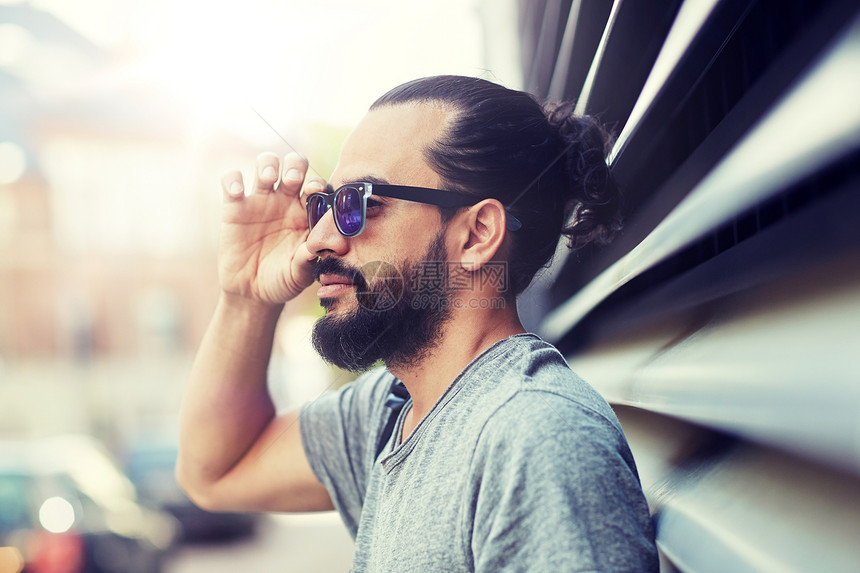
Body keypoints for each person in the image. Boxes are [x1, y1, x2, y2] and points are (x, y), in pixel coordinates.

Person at [176, 75, 659, 572]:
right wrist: (247, 295)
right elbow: (215, 471)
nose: (318, 238)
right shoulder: (393, 413)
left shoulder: (535, 441)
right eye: (324, 204)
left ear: (477, 235)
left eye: (361, 202)